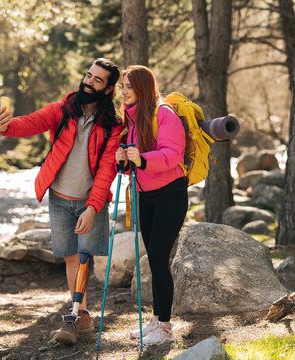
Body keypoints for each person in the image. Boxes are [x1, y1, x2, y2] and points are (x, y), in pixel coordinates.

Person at [0, 58, 123, 345]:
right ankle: (83, 314)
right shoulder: (64, 109)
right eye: (88, 75)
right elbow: (32, 123)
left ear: (109, 89)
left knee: (84, 258)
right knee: (71, 258)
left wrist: (92, 208)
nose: (89, 82)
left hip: (90, 201)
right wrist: (6, 126)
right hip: (60, 199)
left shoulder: (113, 125)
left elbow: (106, 170)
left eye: (97, 80)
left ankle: (74, 318)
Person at [115, 65, 188, 346]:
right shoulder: (131, 120)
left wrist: (142, 159)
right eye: (122, 87)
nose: (123, 92)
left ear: (143, 88)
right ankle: (157, 321)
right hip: (145, 195)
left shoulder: (164, 114)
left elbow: (172, 155)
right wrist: (123, 161)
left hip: (171, 193)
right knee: (154, 259)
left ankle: (165, 327)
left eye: (128, 87)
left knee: (158, 257)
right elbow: (133, 164)